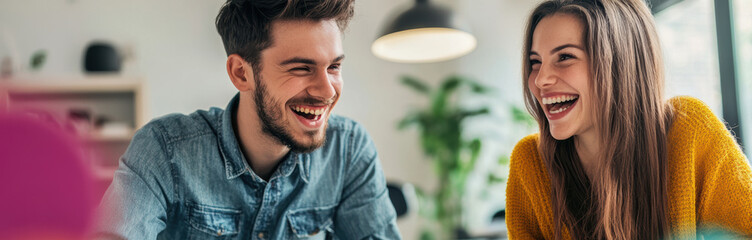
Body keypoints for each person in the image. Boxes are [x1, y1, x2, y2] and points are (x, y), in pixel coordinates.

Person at [94, 0, 401, 239]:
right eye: (301, 68)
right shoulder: (164, 152)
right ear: (241, 73)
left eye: (333, 67)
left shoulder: (348, 151)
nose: (326, 90)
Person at [505, 0, 752, 239]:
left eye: (565, 57)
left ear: (618, 62)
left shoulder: (690, 131)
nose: (540, 80)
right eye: (535, 62)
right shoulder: (529, 163)